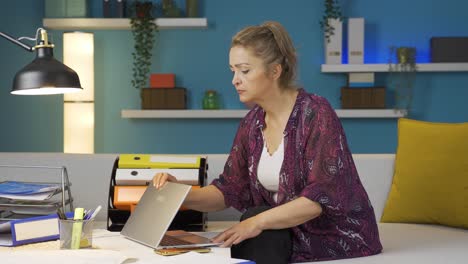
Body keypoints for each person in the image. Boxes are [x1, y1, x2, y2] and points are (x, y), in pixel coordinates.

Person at [152, 21, 382, 263]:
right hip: (279, 233)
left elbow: (317, 202)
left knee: (254, 221)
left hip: (331, 236)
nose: (235, 80)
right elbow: (228, 189)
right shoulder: (251, 123)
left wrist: (254, 223)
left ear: (275, 71)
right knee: (250, 225)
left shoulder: (316, 113)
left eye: (244, 70)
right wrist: (179, 193)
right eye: (232, 70)